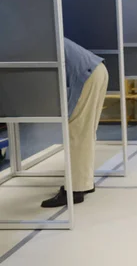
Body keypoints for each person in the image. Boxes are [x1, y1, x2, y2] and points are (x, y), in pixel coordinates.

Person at [41, 37, 109, 208]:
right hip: (95, 69)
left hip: (86, 75)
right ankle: (84, 182)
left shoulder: (26, 36)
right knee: (83, 132)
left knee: (77, 133)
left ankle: (75, 190)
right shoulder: (36, 29)